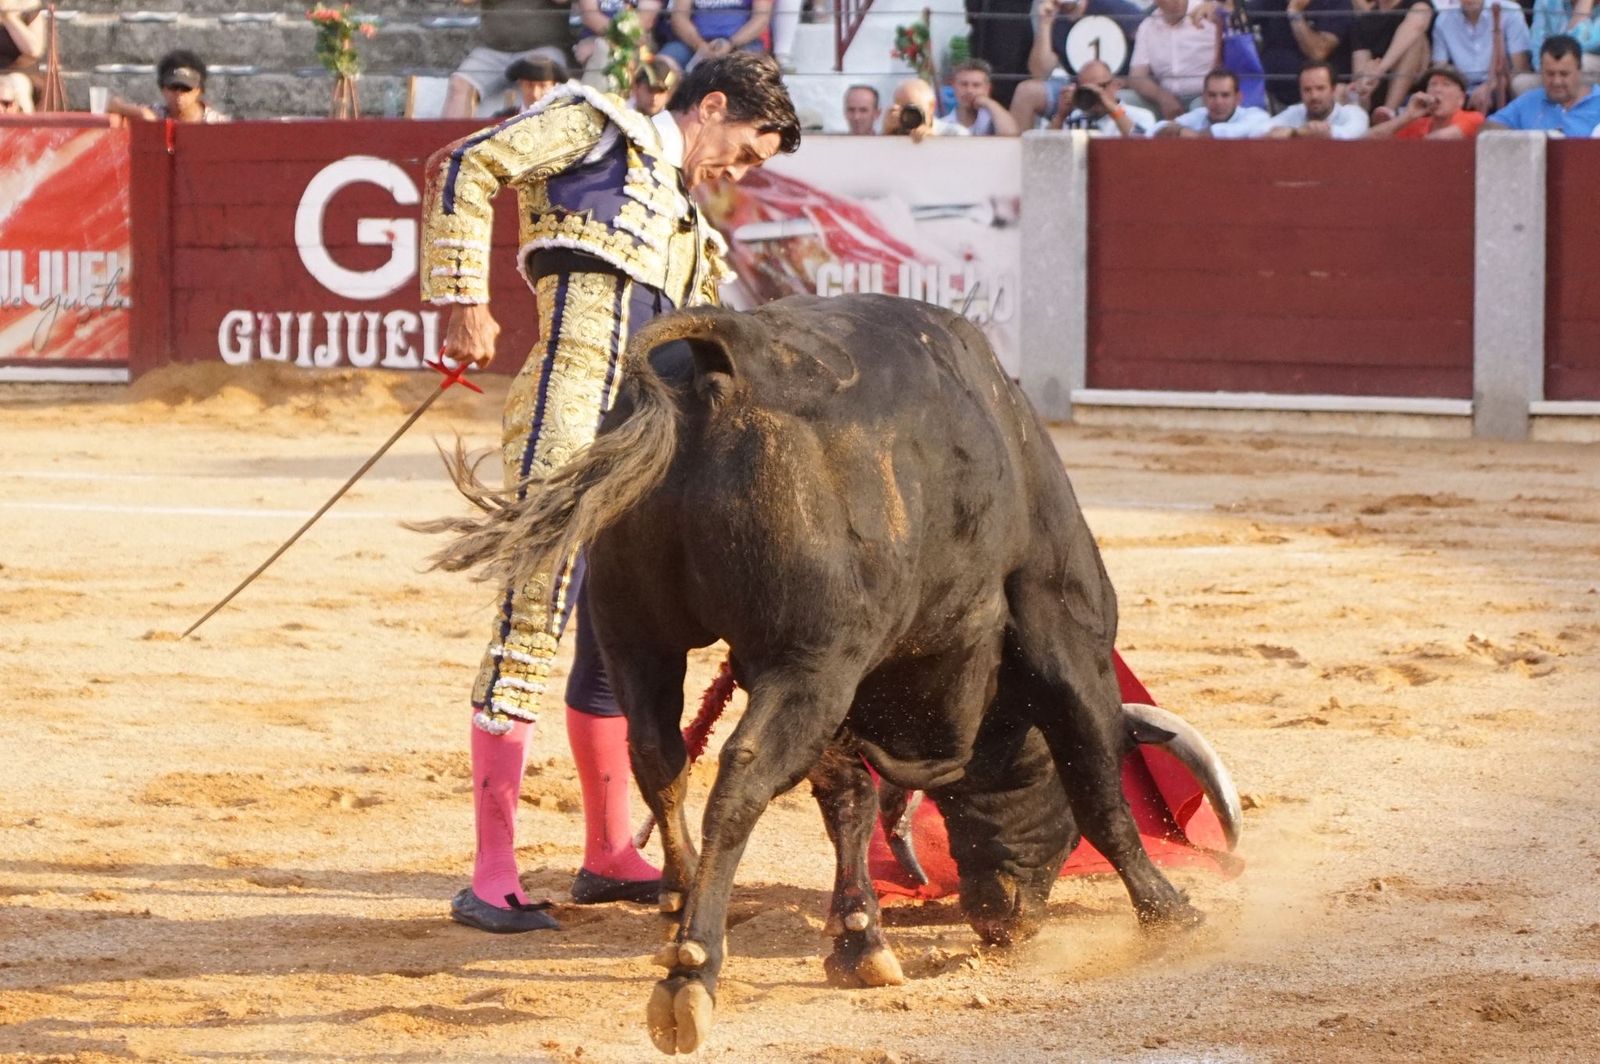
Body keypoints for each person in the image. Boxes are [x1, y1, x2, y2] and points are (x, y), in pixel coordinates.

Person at [420, 52, 800, 934]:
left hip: (649, 446)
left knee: (616, 635)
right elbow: (469, 165)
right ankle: (491, 873)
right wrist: (462, 300)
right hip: (565, 412)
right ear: (711, 106)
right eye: (742, 152)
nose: (735, 174)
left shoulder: (691, 231)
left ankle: (606, 853)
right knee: (532, 620)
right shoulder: (596, 126)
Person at [1008, 0, 1149, 128]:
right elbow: (1039, 73)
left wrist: (1131, 79)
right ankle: (1018, 153)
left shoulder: (1113, 7)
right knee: (1026, 92)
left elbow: (1148, 39)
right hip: (1076, 86)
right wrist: (1046, 24)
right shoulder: (1055, 18)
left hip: (1115, 84)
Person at [442, 0, 576, 119]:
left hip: (542, 48)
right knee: (459, 85)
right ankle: (451, 146)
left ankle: (545, 144)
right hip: (492, 49)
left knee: (540, 82)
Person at [1485, 32, 1600, 130]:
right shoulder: (1529, 101)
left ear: (1579, 71)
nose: (1557, 81)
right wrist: (1524, 141)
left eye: (1564, 74)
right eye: (1550, 74)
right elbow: (1488, 127)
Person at [1249, 0, 1355, 106]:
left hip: (1321, 96)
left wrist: (1295, 12)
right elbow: (1241, 18)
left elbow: (1318, 53)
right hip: (1272, 93)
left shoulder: (1336, 3)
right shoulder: (1269, 3)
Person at [1431, 0, 1532, 111]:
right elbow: (1440, 70)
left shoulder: (1510, 12)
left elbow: (1521, 68)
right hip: (1462, 89)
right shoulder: (1443, 20)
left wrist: (1490, 86)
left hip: (1501, 88)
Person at [1349, 0, 1435, 112]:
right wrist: (1364, 82)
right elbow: (1360, 60)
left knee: (1415, 41)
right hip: (1378, 84)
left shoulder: (1419, 5)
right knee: (1350, 86)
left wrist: (1380, 70)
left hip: (1414, 79)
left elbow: (1415, 27)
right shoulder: (1363, 21)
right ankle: (1367, 112)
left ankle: (1389, 111)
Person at [107, 51, 231, 124]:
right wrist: (141, 113)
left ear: (198, 91)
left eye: (185, 88)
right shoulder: (157, 113)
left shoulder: (218, 123)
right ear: (163, 89)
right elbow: (112, 104)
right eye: (173, 87)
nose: (179, 93)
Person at [1365, 63, 1485, 136]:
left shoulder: (1474, 118)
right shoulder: (1418, 124)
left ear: (1461, 99)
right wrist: (1407, 116)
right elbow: (1366, 139)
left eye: (1446, 85)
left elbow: (1441, 140)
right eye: (1433, 84)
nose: (1437, 90)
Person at [1047, 57, 1156, 133]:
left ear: (1115, 85)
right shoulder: (1073, 118)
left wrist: (1113, 110)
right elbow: (1044, 150)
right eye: (1087, 88)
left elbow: (1144, 146)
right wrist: (1061, 116)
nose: (1095, 93)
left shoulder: (1140, 116)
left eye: (1101, 86)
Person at [1152, 65, 1272, 134]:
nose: (1218, 102)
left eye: (1225, 95)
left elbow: (1227, 133)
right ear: (1203, 98)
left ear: (1238, 98)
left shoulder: (1256, 116)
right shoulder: (1199, 114)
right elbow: (1156, 129)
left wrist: (1190, 134)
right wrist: (1179, 130)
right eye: (1212, 95)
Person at [1265, 60, 1371, 136]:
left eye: (1320, 88)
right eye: (1307, 90)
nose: (1314, 96)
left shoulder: (1352, 113)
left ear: (1333, 89)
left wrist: (1300, 133)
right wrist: (1297, 132)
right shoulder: (1294, 112)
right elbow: (1259, 131)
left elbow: (1353, 133)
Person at [574, 0, 664, 88]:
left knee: (604, 50)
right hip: (599, 41)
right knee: (602, 50)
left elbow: (644, 21)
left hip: (635, 45)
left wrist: (607, 42)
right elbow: (590, 16)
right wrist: (603, 42)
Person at [660, 0, 772, 69]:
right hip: (694, 42)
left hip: (742, 42)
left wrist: (731, 43)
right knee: (662, 64)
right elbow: (679, 18)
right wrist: (699, 45)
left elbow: (761, 19)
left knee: (754, 71)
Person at [886, 77, 971, 140]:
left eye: (912, 107)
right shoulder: (894, 133)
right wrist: (886, 133)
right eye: (900, 107)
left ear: (932, 106)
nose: (906, 113)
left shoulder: (955, 133)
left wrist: (934, 140)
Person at [950, 58, 1020, 134]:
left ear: (987, 89)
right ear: (953, 86)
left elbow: (1010, 134)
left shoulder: (993, 118)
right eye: (964, 84)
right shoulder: (944, 123)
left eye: (976, 85)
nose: (969, 90)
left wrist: (988, 102)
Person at [494, 55, 568, 116]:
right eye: (529, 85)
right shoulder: (503, 120)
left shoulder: (565, 119)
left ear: (554, 86)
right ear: (520, 84)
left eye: (543, 86)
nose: (535, 94)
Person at [1, 1, 44, 82]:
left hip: (16, 74)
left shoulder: (30, 6)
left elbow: (33, 50)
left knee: (10, 87)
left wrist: (7, 16)